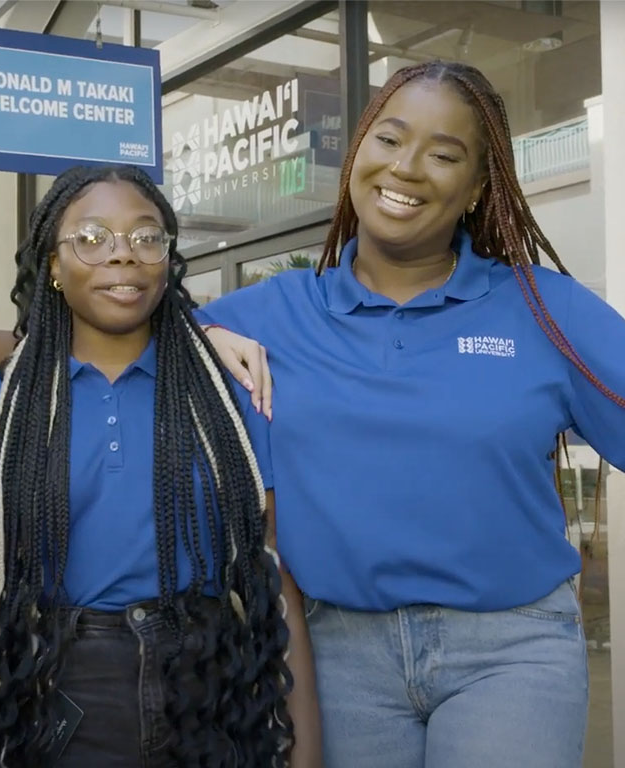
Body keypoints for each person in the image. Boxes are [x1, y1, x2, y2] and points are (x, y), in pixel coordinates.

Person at [191, 60, 625, 767]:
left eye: (445, 154)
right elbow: (116, 335)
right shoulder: (277, 309)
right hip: (338, 656)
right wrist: (201, 334)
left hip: (509, 656)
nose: (408, 168)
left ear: (479, 187)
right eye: (389, 140)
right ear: (358, 151)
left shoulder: (541, 309)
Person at [0, 164, 321, 767]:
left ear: (169, 260)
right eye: (92, 237)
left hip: (213, 684)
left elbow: (272, 575)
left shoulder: (229, 395)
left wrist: (304, 751)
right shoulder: (2, 406)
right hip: (64, 690)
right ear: (52, 263)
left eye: (146, 237)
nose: (123, 255)